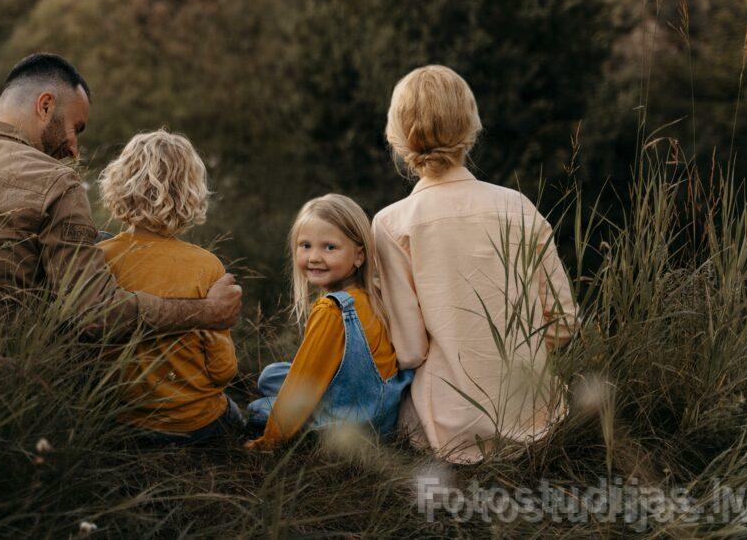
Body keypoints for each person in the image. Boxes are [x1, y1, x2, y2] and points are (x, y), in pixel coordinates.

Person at [0, 53, 241, 336]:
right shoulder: (55, 182)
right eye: (75, 128)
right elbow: (95, 313)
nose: (74, 148)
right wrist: (206, 312)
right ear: (45, 105)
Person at [372, 64, 578, 464]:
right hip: (537, 420)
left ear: (395, 138)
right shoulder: (518, 207)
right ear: (472, 129)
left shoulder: (392, 224)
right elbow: (564, 321)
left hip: (444, 429)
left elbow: (410, 351)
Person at [97, 130, 244, 444]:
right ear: (190, 193)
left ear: (118, 184)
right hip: (196, 424)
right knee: (241, 415)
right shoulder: (207, 267)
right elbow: (223, 370)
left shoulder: (99, 259)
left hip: (123, 423)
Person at [244, 194, 413, 450]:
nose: (314, 257)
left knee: (258, 409)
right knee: (271, 375)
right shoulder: (372, 296)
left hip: (349, 424)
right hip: (381, 413)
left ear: (359, 256)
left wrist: (269, 440)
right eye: (305, 245)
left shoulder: (331, 310)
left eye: (329, 247)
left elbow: (304, 381)